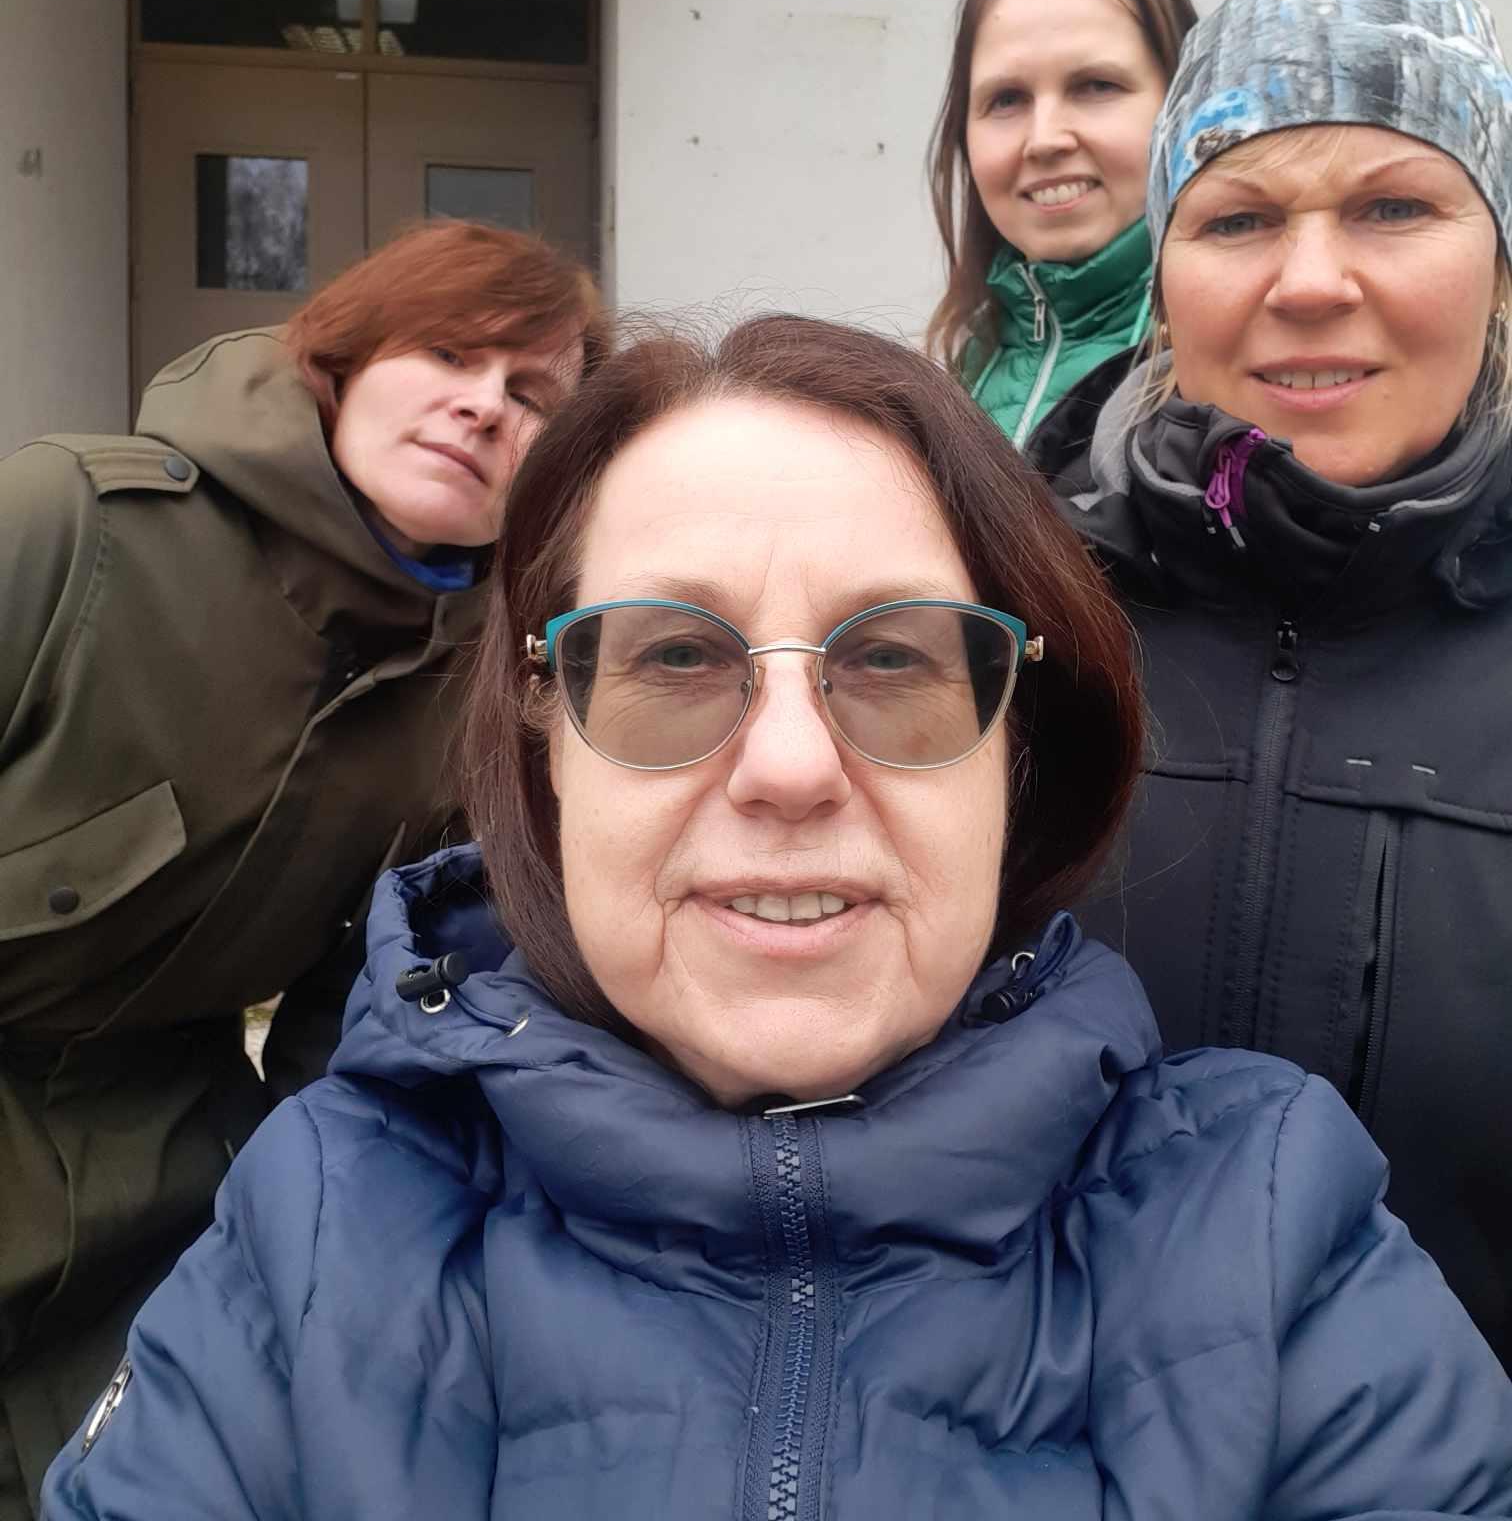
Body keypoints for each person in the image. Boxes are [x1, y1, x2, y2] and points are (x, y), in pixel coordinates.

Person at [44, 314, 1512, 1520]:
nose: (792, 767)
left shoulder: (1272, 1224)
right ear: (545, 733)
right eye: (676, 658)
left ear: (1018, 746)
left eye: (895, 660)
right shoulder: (321, 1219)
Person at [0, 219, 604, 1520]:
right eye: (448, 353)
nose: (483, 406)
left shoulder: (487, 686)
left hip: (159, 1197)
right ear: (342, 357)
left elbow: (359, 1014)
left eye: (532, 394)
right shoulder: (71, 525)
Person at [1034, 0, 1512, 1367]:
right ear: (1165, 273)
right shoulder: (1014, 624)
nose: (1308, 281)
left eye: (1394, 206)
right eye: (1237, 219)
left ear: (1499, 264)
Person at [926, 0, 1197, 446]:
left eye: (1096, 86)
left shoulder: (1238, 369)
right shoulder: (958, 373)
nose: (1045, 139)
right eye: (1007, 99)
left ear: (1183, 110)